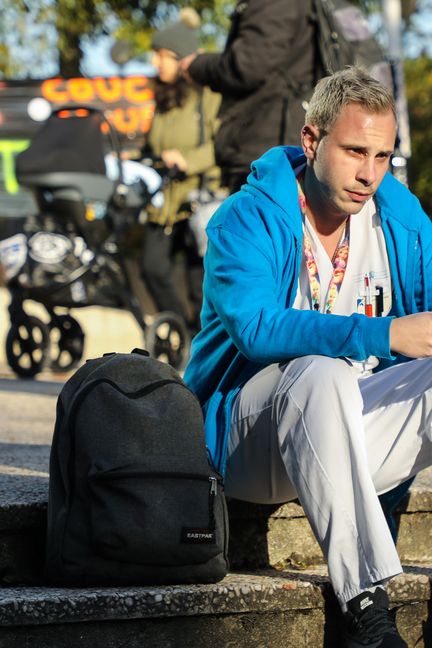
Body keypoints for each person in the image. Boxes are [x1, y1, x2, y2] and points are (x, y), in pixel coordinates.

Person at [184, 67, 432, 647]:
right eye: (354, 152)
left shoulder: (403, 221)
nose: (369, 174)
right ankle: (366, 610)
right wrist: (386, 335)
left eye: (382, 156)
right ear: (312, 140)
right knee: (319, 372)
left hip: (349, 435)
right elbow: (256, 329)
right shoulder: (246, 218)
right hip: (249, 441)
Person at [141, 8, 221, 334]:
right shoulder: (163, 99)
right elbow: (154, 145)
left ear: (179, 57)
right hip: (164, 203)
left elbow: (224, 144)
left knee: (197, 281)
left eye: (161, 56)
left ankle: (197, 346)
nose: (154, 63)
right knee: (152, 266)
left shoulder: (209, 95)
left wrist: (189, 159)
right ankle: (181, 331)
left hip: (199, 199)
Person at [180, 0, 315, 194]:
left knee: (258, 221)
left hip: (267, 150)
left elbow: (247, 65)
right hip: (277, 146)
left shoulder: (276, 5)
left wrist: (198, 65)